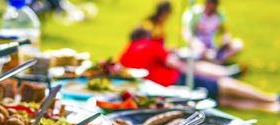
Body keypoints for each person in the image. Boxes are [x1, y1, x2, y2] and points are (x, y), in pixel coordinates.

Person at [119, 2, 278, 112]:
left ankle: (271, 107)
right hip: (176, 81)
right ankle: (270, 98)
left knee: (221, 100)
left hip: (160, 92)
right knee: (223, 85)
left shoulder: (125, 55)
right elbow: (173, 63)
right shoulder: (151, 44)